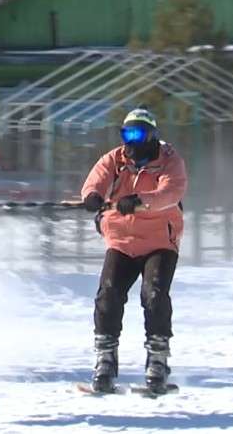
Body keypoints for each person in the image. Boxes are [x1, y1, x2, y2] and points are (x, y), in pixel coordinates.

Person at [80, 107, 188, 394]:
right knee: (109, 293)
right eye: (127, 133)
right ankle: (105, 359)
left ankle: (157, 360)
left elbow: (172, 192)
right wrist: (92, 196)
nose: (131, 140)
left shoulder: (169, 160)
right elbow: (96, 180)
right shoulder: (115, 159)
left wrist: (140, 200)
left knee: (153, 295)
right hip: (122, 240)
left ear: (152, 134)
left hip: (159, 241)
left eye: (138, 133)